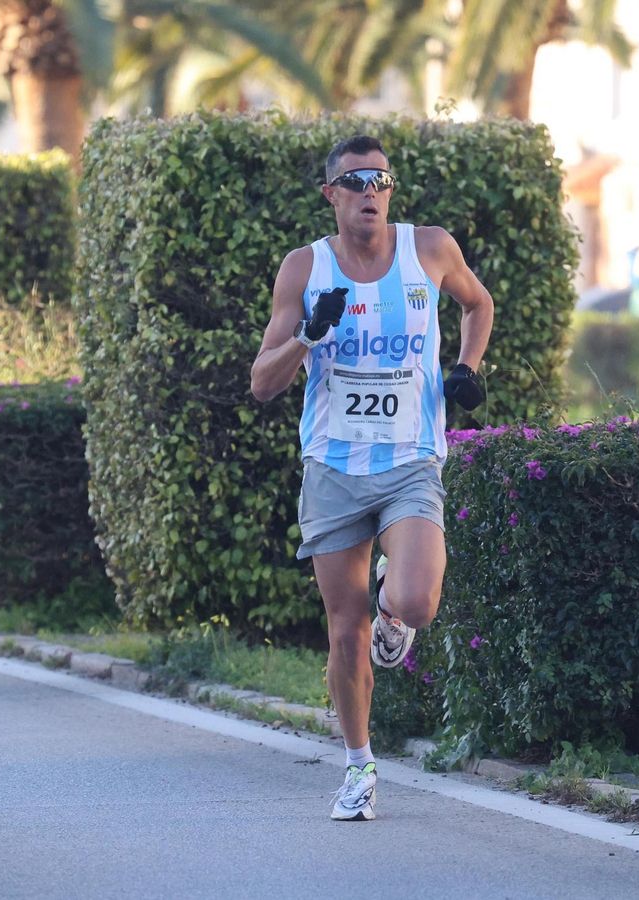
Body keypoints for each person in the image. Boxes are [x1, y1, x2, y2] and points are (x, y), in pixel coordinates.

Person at [249, 134, 494, 821]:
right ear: (331, 195)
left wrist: (468, 369)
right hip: (333, 467)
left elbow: (479, 304)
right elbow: (262, 383)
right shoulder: (305, 268)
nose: (370, 193)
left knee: (416, 602)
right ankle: (358, 767)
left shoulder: (430, 249)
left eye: (381, 182)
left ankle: (396, 608)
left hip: (411, 460)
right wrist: (305, 333)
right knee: (344, 628)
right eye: (355, 182)